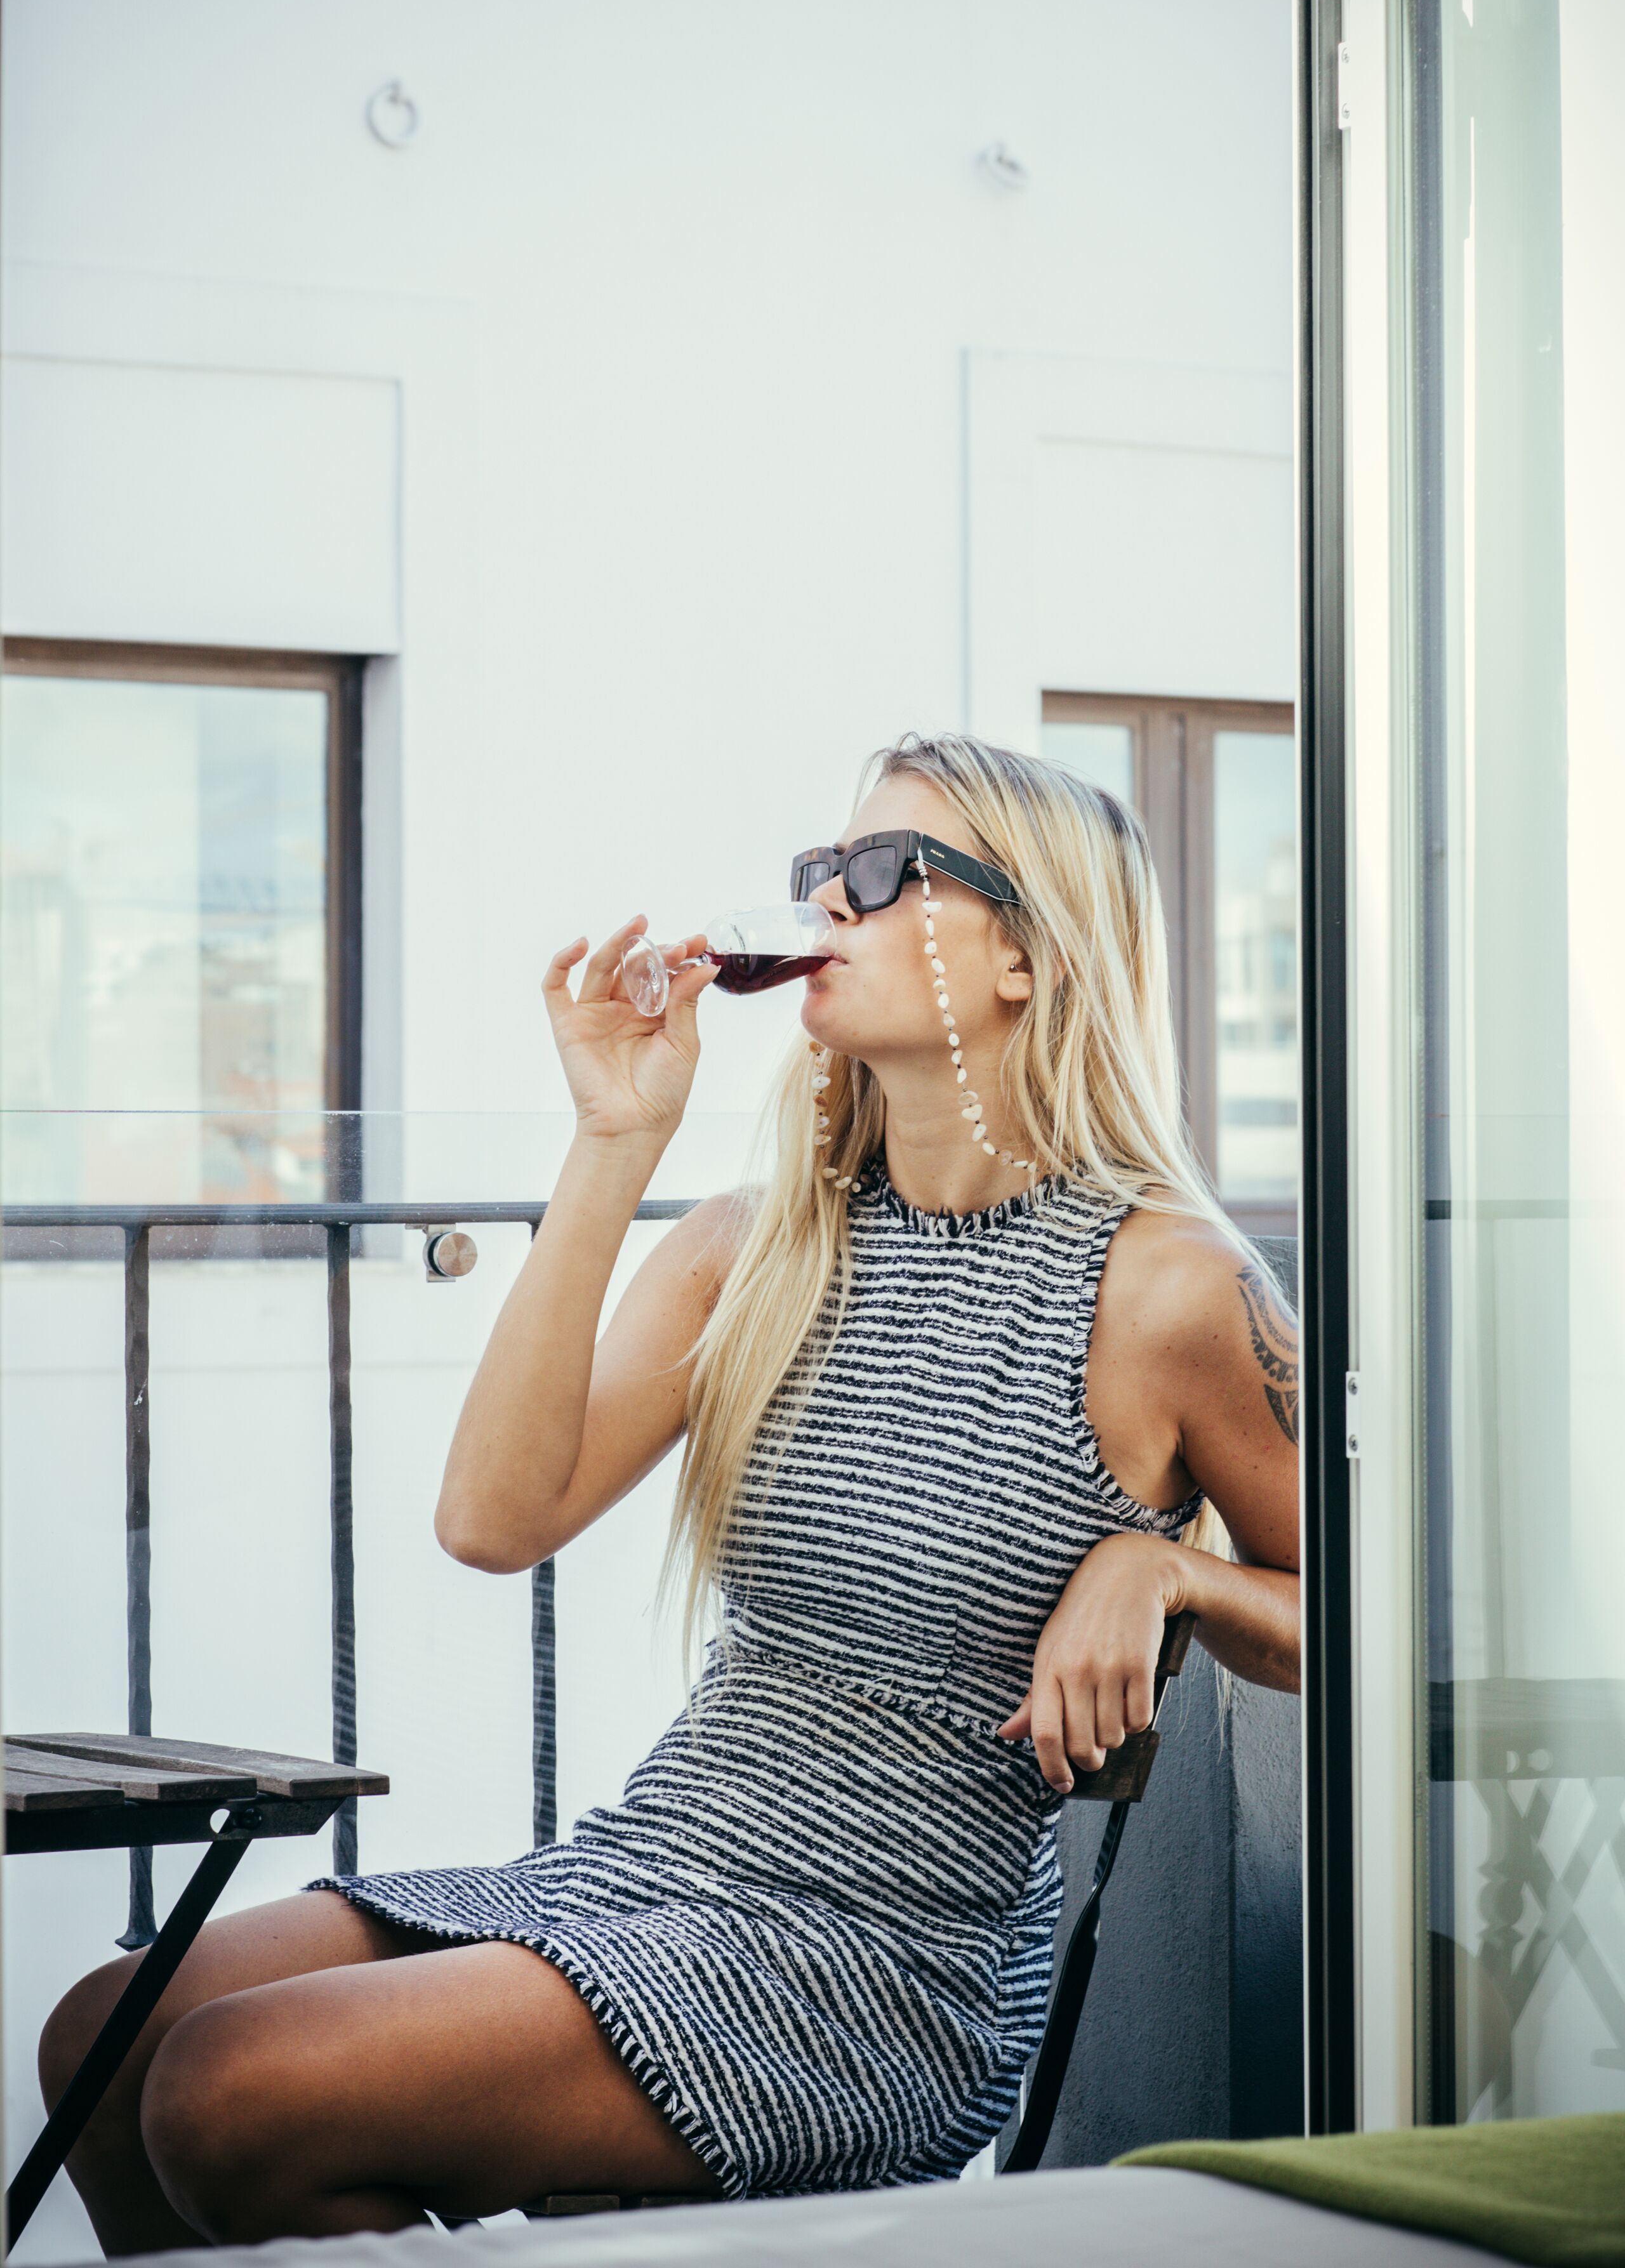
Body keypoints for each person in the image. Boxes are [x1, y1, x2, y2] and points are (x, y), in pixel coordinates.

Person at [40, 732, 1300, 2249]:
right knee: (102, 2042)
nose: (826, 900)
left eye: (882, 871)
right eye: (819, 868)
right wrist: (612, 1139)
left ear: (1026, 955)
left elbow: (1352, 1619)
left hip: (878, 1962)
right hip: (650, 1864)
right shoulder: (756, 1245)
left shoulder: (1165, 1287)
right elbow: (492, 1520)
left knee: (228, 2091)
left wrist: (1167, 1571)